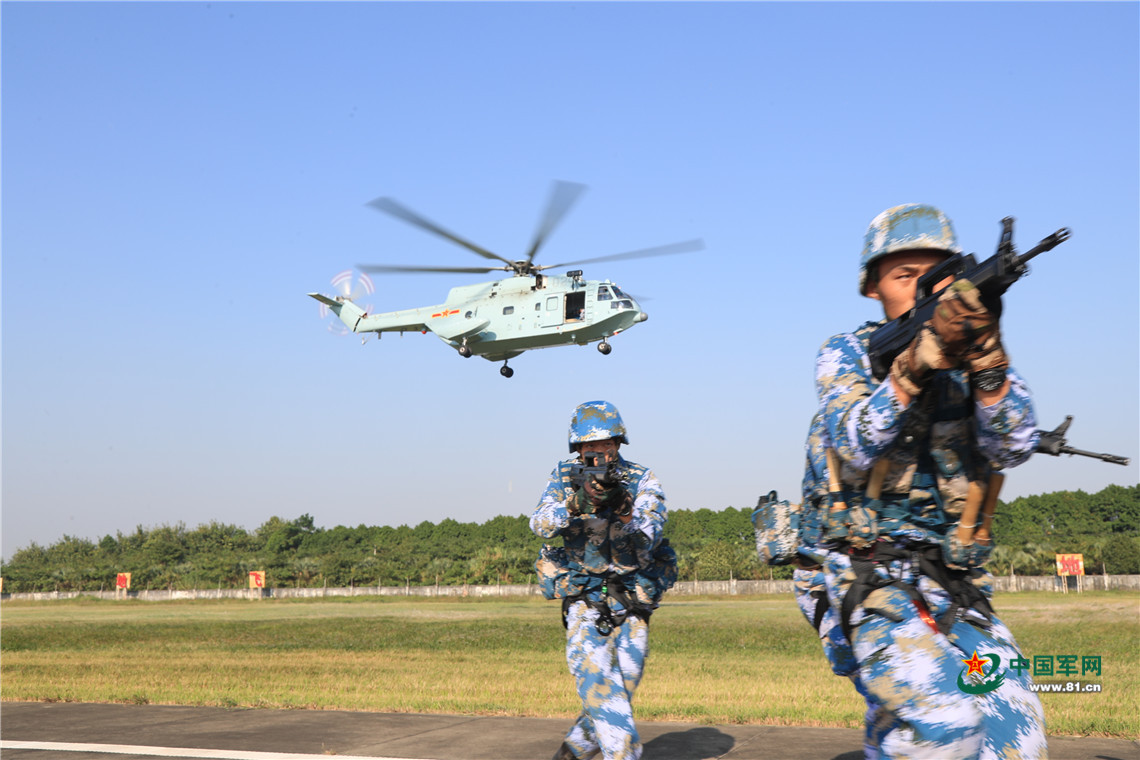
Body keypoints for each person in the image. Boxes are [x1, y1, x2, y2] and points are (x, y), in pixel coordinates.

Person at [801, 204, 1047, 758]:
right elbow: (852, 440)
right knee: (945, 720)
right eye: (903, 275)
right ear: (872, 287)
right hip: (864, 571)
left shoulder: (979, 355)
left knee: (1017, 735)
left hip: (949, 580)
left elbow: (1013, 446)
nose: (921, 289)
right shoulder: (846, 354)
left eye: (935, 276)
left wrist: (986, 361)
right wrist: (912, 367)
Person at [531, 400, 673, 760]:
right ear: (578, 448)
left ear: (618, 443)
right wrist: (575, 503)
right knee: (602, 693)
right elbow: (540, 524)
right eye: (589, 446)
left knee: (618, 693)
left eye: (606, 444)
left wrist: (624, 506)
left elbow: (652, 532)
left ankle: (573, 750)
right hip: (585, 601)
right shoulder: (564, 476)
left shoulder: (641, 478)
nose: (598, 452)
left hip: (631, 602)